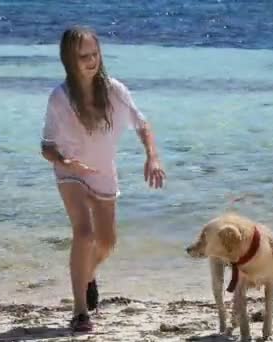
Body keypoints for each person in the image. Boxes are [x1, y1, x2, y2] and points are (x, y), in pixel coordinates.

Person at [40, 26, 166, 332]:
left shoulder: (115, 91)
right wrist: (63, 160)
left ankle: (87, 275)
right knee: (83, 234)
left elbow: (142, 124)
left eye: (94, 54)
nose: (91, 60)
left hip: (103, 173)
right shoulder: (60, 98)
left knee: (107, 242)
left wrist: (152, 157)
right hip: (71, 172)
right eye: (83, 56)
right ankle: (80, 311)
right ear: (69, 59)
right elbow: (46, 147)